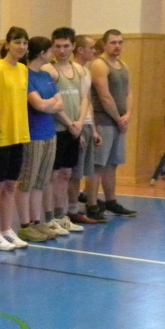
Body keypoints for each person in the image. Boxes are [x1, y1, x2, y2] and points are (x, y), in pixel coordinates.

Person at [0, 27, 31, 251]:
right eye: (17, 42)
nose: (21, 46)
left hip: (18, 134)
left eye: (25, 42)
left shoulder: (23, 69)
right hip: (0, 136)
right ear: (7, 44)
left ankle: (6, 229)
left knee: (11, 185)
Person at [15, 37, 63, 242]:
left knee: (41, 182)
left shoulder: (46, 75)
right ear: (42, 53)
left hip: (49, 133)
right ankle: (25, 225)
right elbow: (39, 105)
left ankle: (36, 221)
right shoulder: (26, 75)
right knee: (28, 181)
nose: (53, 54)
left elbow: (60, 104)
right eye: (50, 51)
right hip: (33, 134)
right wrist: (49, 103)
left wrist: (47, 103)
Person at [88, 29, 137, 217]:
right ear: (105, 44)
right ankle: (92, 203)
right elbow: (104, 96)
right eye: (113, 42)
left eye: (120, 42)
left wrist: (128, 114)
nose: (117, 46)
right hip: (104, 121)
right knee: (98, 164)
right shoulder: (99, 65)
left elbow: (128, 92)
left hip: (119, 122)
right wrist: (118, 118)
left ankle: (111, 201)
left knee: (112, 163)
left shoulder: (123, 65)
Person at [43, 28, 86, 234]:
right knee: (53, 175)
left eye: (66, 46)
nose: (62, 51)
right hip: (57, 129)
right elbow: (53, 103)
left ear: (73, 46)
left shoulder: (79, 70)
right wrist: (70, 123)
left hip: (74, 129)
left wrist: (79, 123)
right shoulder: (49, 70)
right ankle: (49, 217)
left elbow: (84, 98)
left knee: (67, 173)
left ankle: (61, 215)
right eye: (58, 46)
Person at [67, 35, 102, 225]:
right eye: (91, 47)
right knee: (73, 173)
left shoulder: (86, 71)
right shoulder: (73, 70)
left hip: (86, 124)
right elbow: (73, 102)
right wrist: (77, 129)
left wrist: (93, 129)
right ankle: (69, 209)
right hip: (77, 125)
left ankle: (73, 207)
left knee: (80, 172)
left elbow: (87, 101)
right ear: (80, 50)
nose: (94, 51)